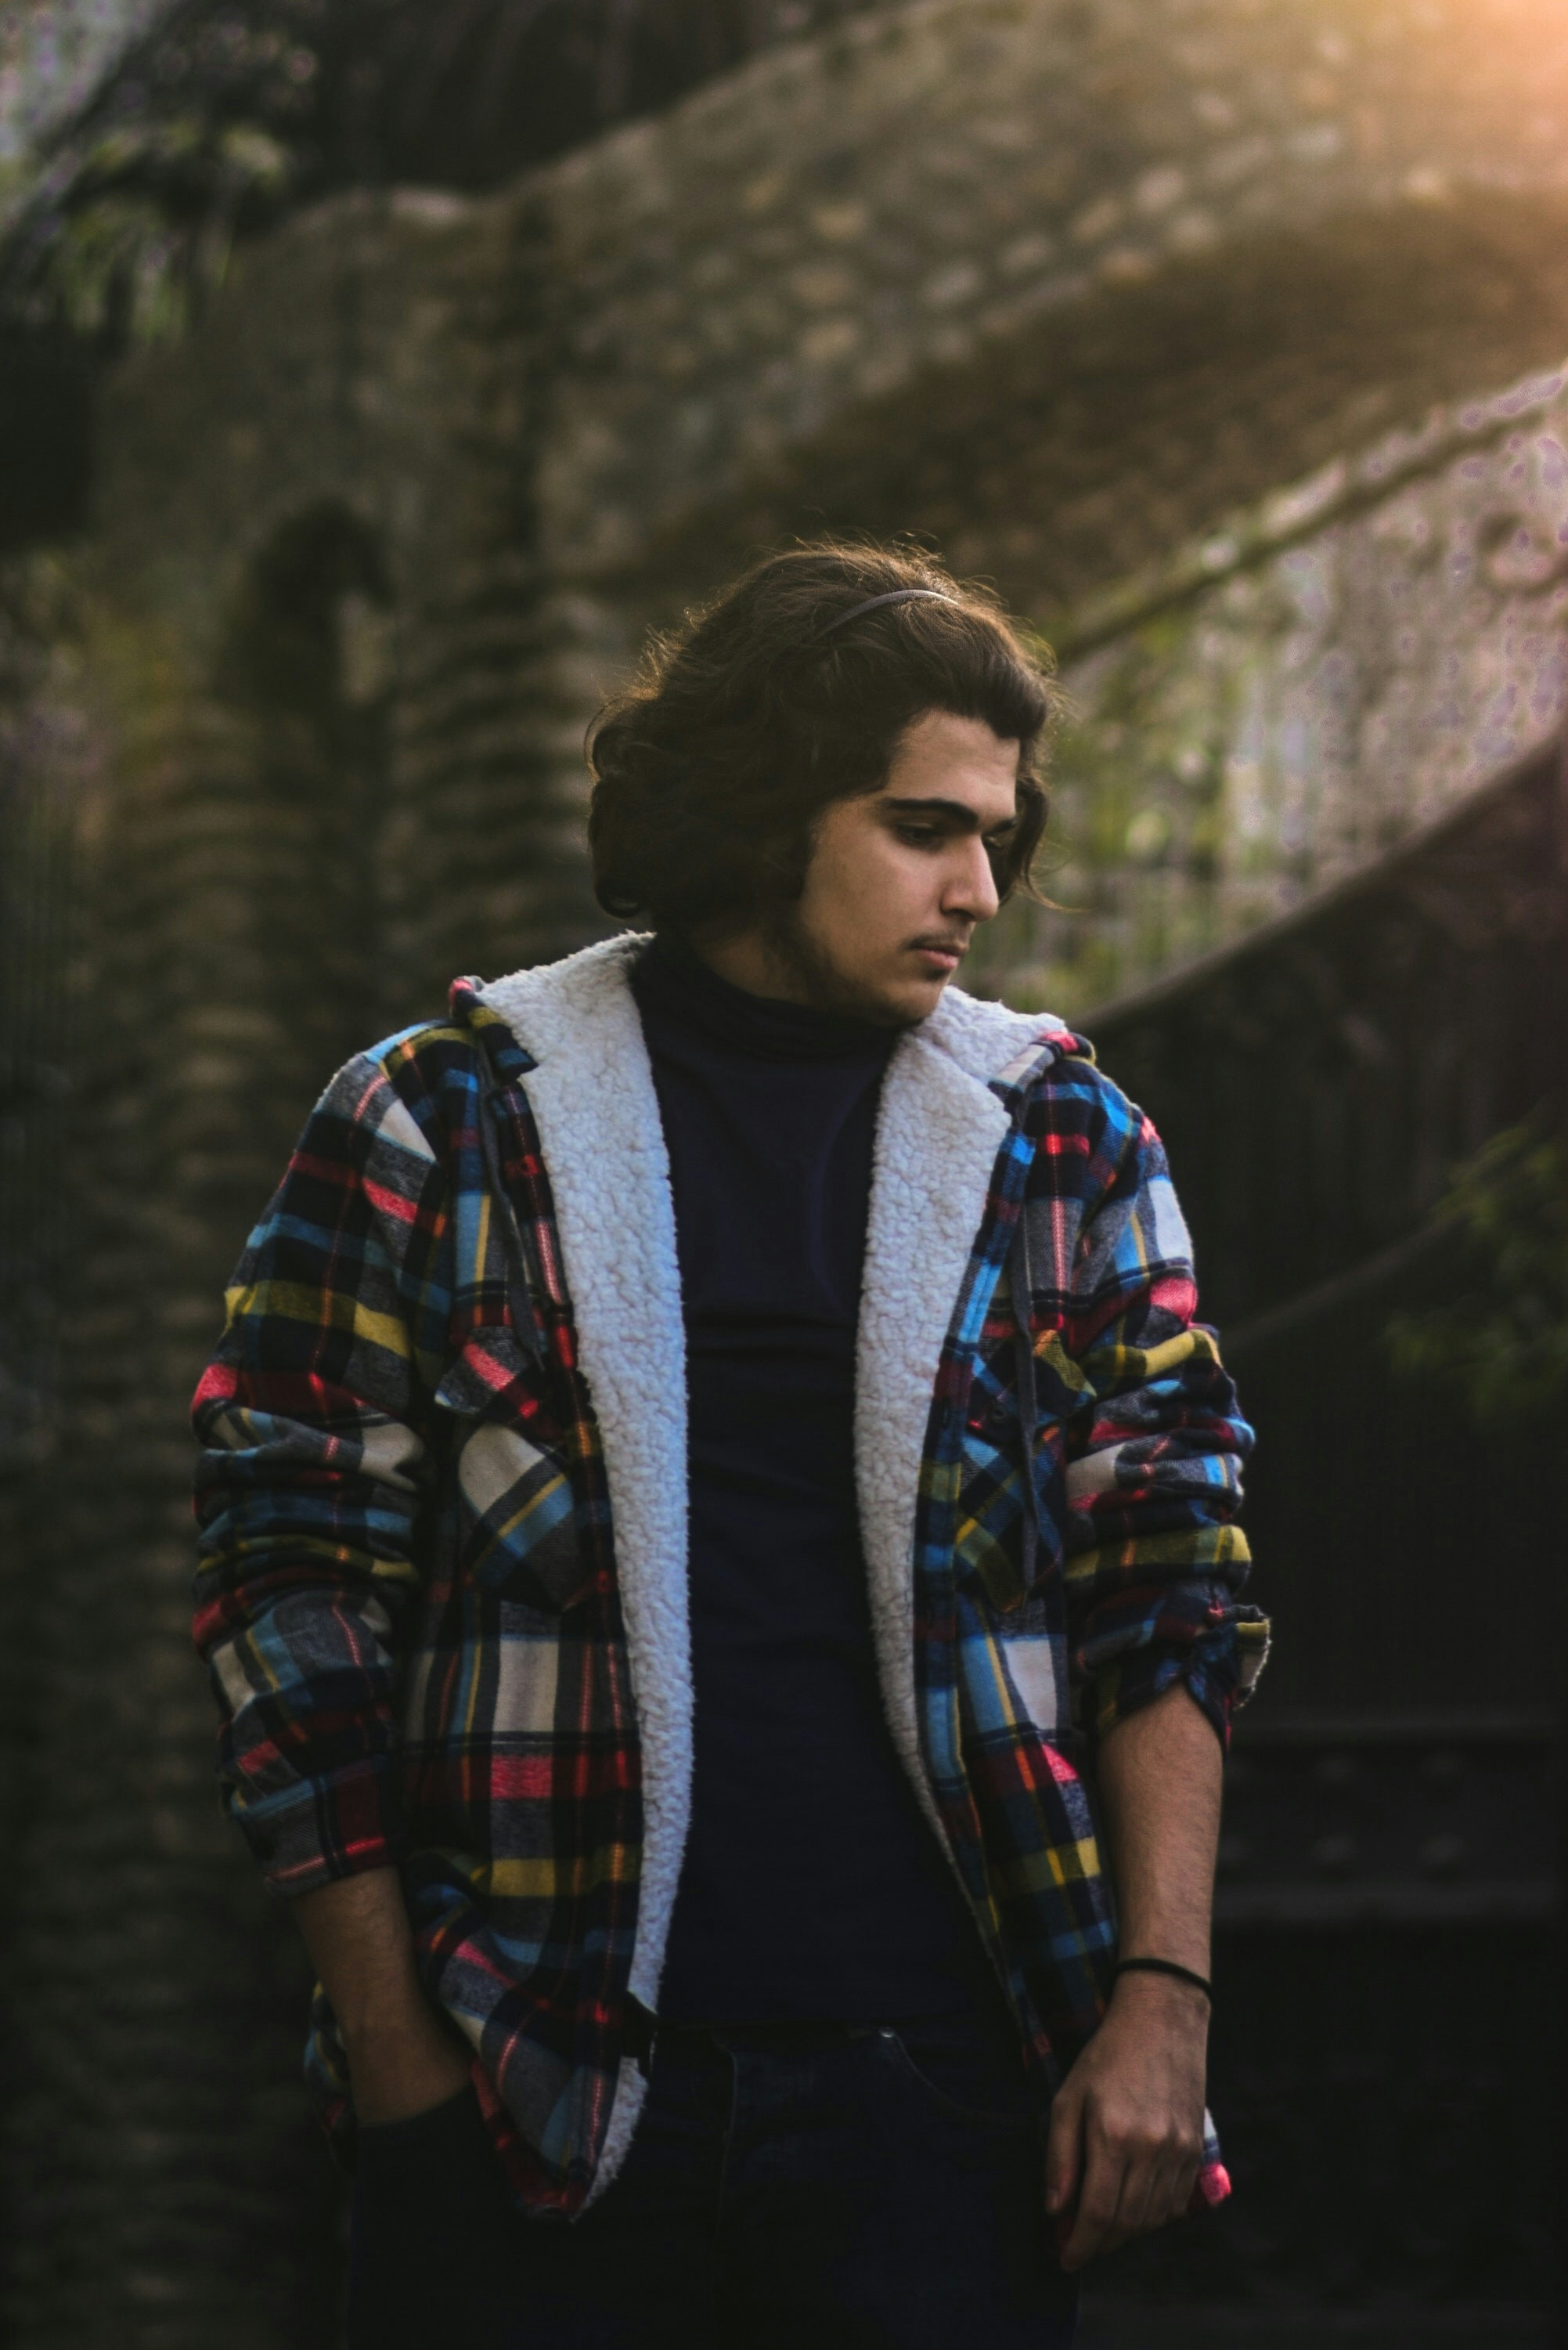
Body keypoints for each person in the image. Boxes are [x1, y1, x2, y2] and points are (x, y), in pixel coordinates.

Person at [193, 544, 1265, 2346]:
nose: (981, 888)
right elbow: (284, 1593)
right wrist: (395, 2049)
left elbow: (1168, 1571)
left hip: (946, 2088)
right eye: (927, 826)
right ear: (769, 812)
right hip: (537, 2079)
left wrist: (1164, 1994)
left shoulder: (1060, 1141)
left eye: (1001, 836)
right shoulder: (442, 1120)